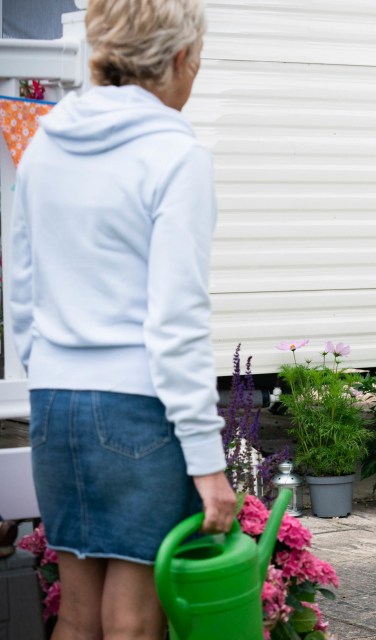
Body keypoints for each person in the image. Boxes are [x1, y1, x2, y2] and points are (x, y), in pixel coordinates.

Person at [9, 0, 236, 637]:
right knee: (135, 620)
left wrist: (55, 374)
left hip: (55, 404)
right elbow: (177, 322)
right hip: (138, 408)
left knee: (77, 613)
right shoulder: (176, 158)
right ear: (181, 58)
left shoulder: (46, 143)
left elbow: (22, 294)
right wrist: (207, 465)